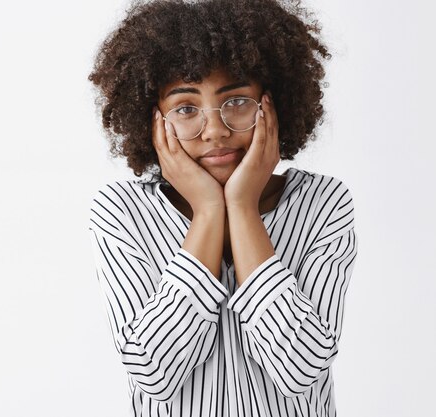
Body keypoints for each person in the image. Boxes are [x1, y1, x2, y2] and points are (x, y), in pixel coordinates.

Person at [86, 0, 359, 416]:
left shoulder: (323, 203)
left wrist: (242, 208)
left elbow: (299, 370)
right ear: (153, 120)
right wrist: (211, 212)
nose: (214, 130)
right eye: (186, 108)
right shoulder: (121, 211)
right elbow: (155, 372)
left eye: (236, 102)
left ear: (272, 104)